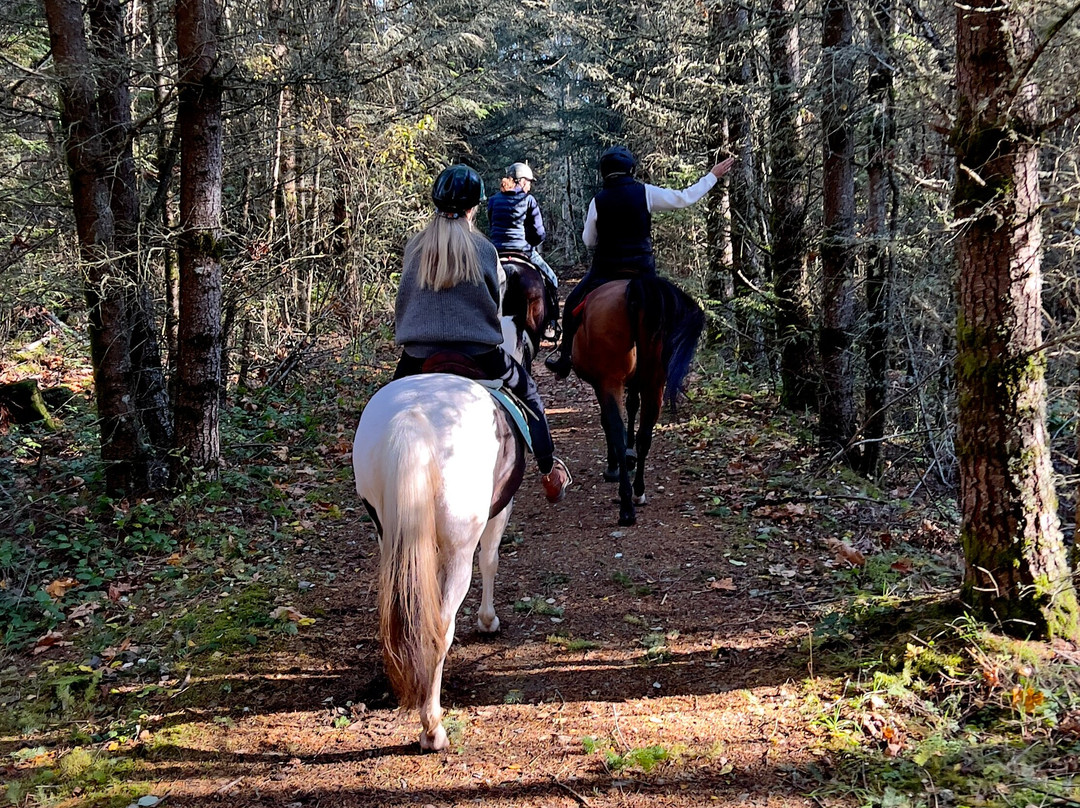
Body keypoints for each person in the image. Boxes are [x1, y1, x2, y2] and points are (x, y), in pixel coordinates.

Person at [394, 164, 571, 503]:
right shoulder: (483, 250)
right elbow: (492, 305)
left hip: (418, 354)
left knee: (382, 406)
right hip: (478, 354)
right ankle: (549, 471)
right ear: (474, 207)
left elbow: (404, 299)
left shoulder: (415, 247)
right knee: (530, 395)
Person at [544, 147, 735, 379]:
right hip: (642, 271)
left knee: (573, 302)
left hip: (606, 271)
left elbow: (588, 240)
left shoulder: (598, 201)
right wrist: (711, 176)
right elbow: (684, 198)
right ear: (631, 170)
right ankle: (674, 361)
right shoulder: (646, 192)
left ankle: (565, 360)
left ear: (604, 172)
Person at [487, 162, 560, 290]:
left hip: (496, 251)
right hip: (522, 250)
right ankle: (554, 308)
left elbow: (491, 225)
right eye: (529, 182)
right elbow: (539, 233)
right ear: (522, 182)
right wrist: (532, 242)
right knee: (552, 279)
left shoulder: (493, 200)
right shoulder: (528, 200)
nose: (529, 187)